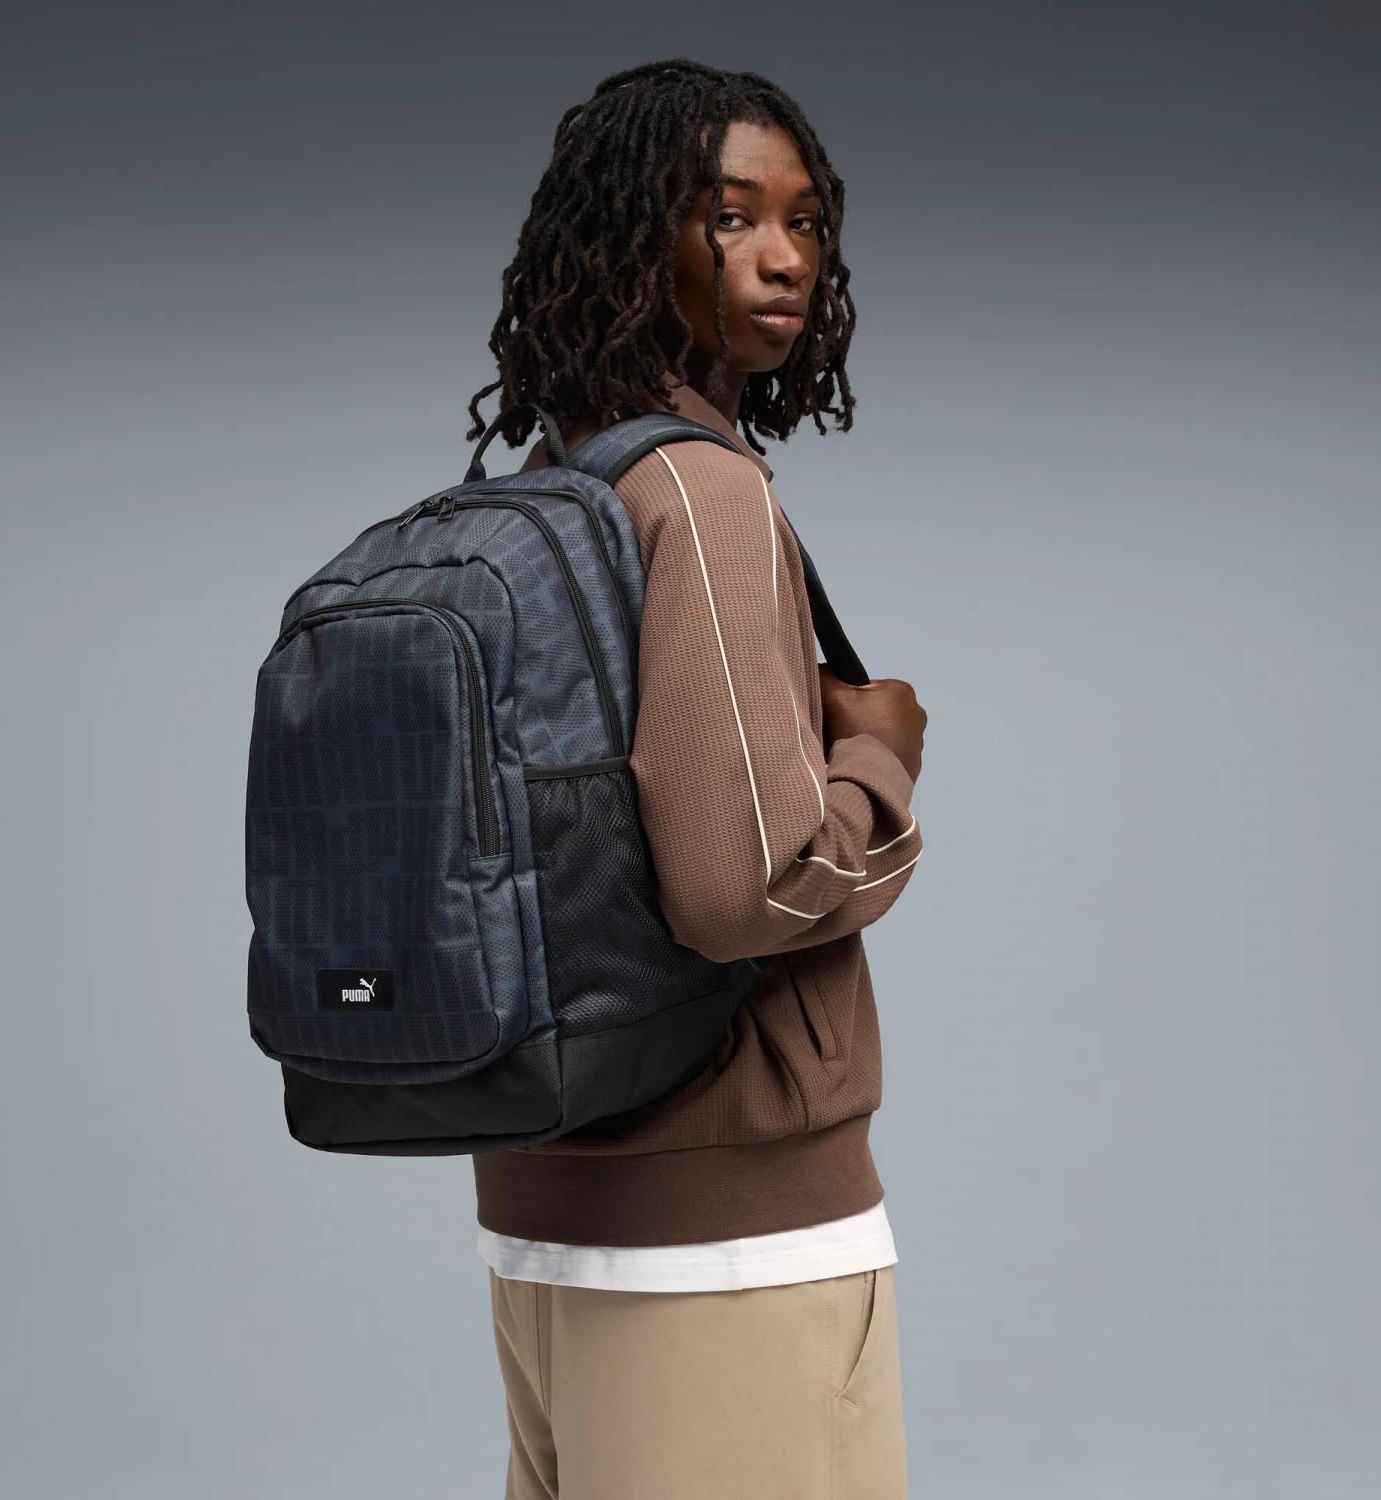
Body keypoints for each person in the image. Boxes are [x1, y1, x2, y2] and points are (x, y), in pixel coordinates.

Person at [464, 58, 928, 1500]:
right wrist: (881, 763)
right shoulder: (701, 491)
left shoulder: (558, 481)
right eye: (730, 218)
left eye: (804, 222)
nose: (784, 257)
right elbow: (743, 892)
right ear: (632, 237)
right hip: (733, 1260)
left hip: (545, 1226)